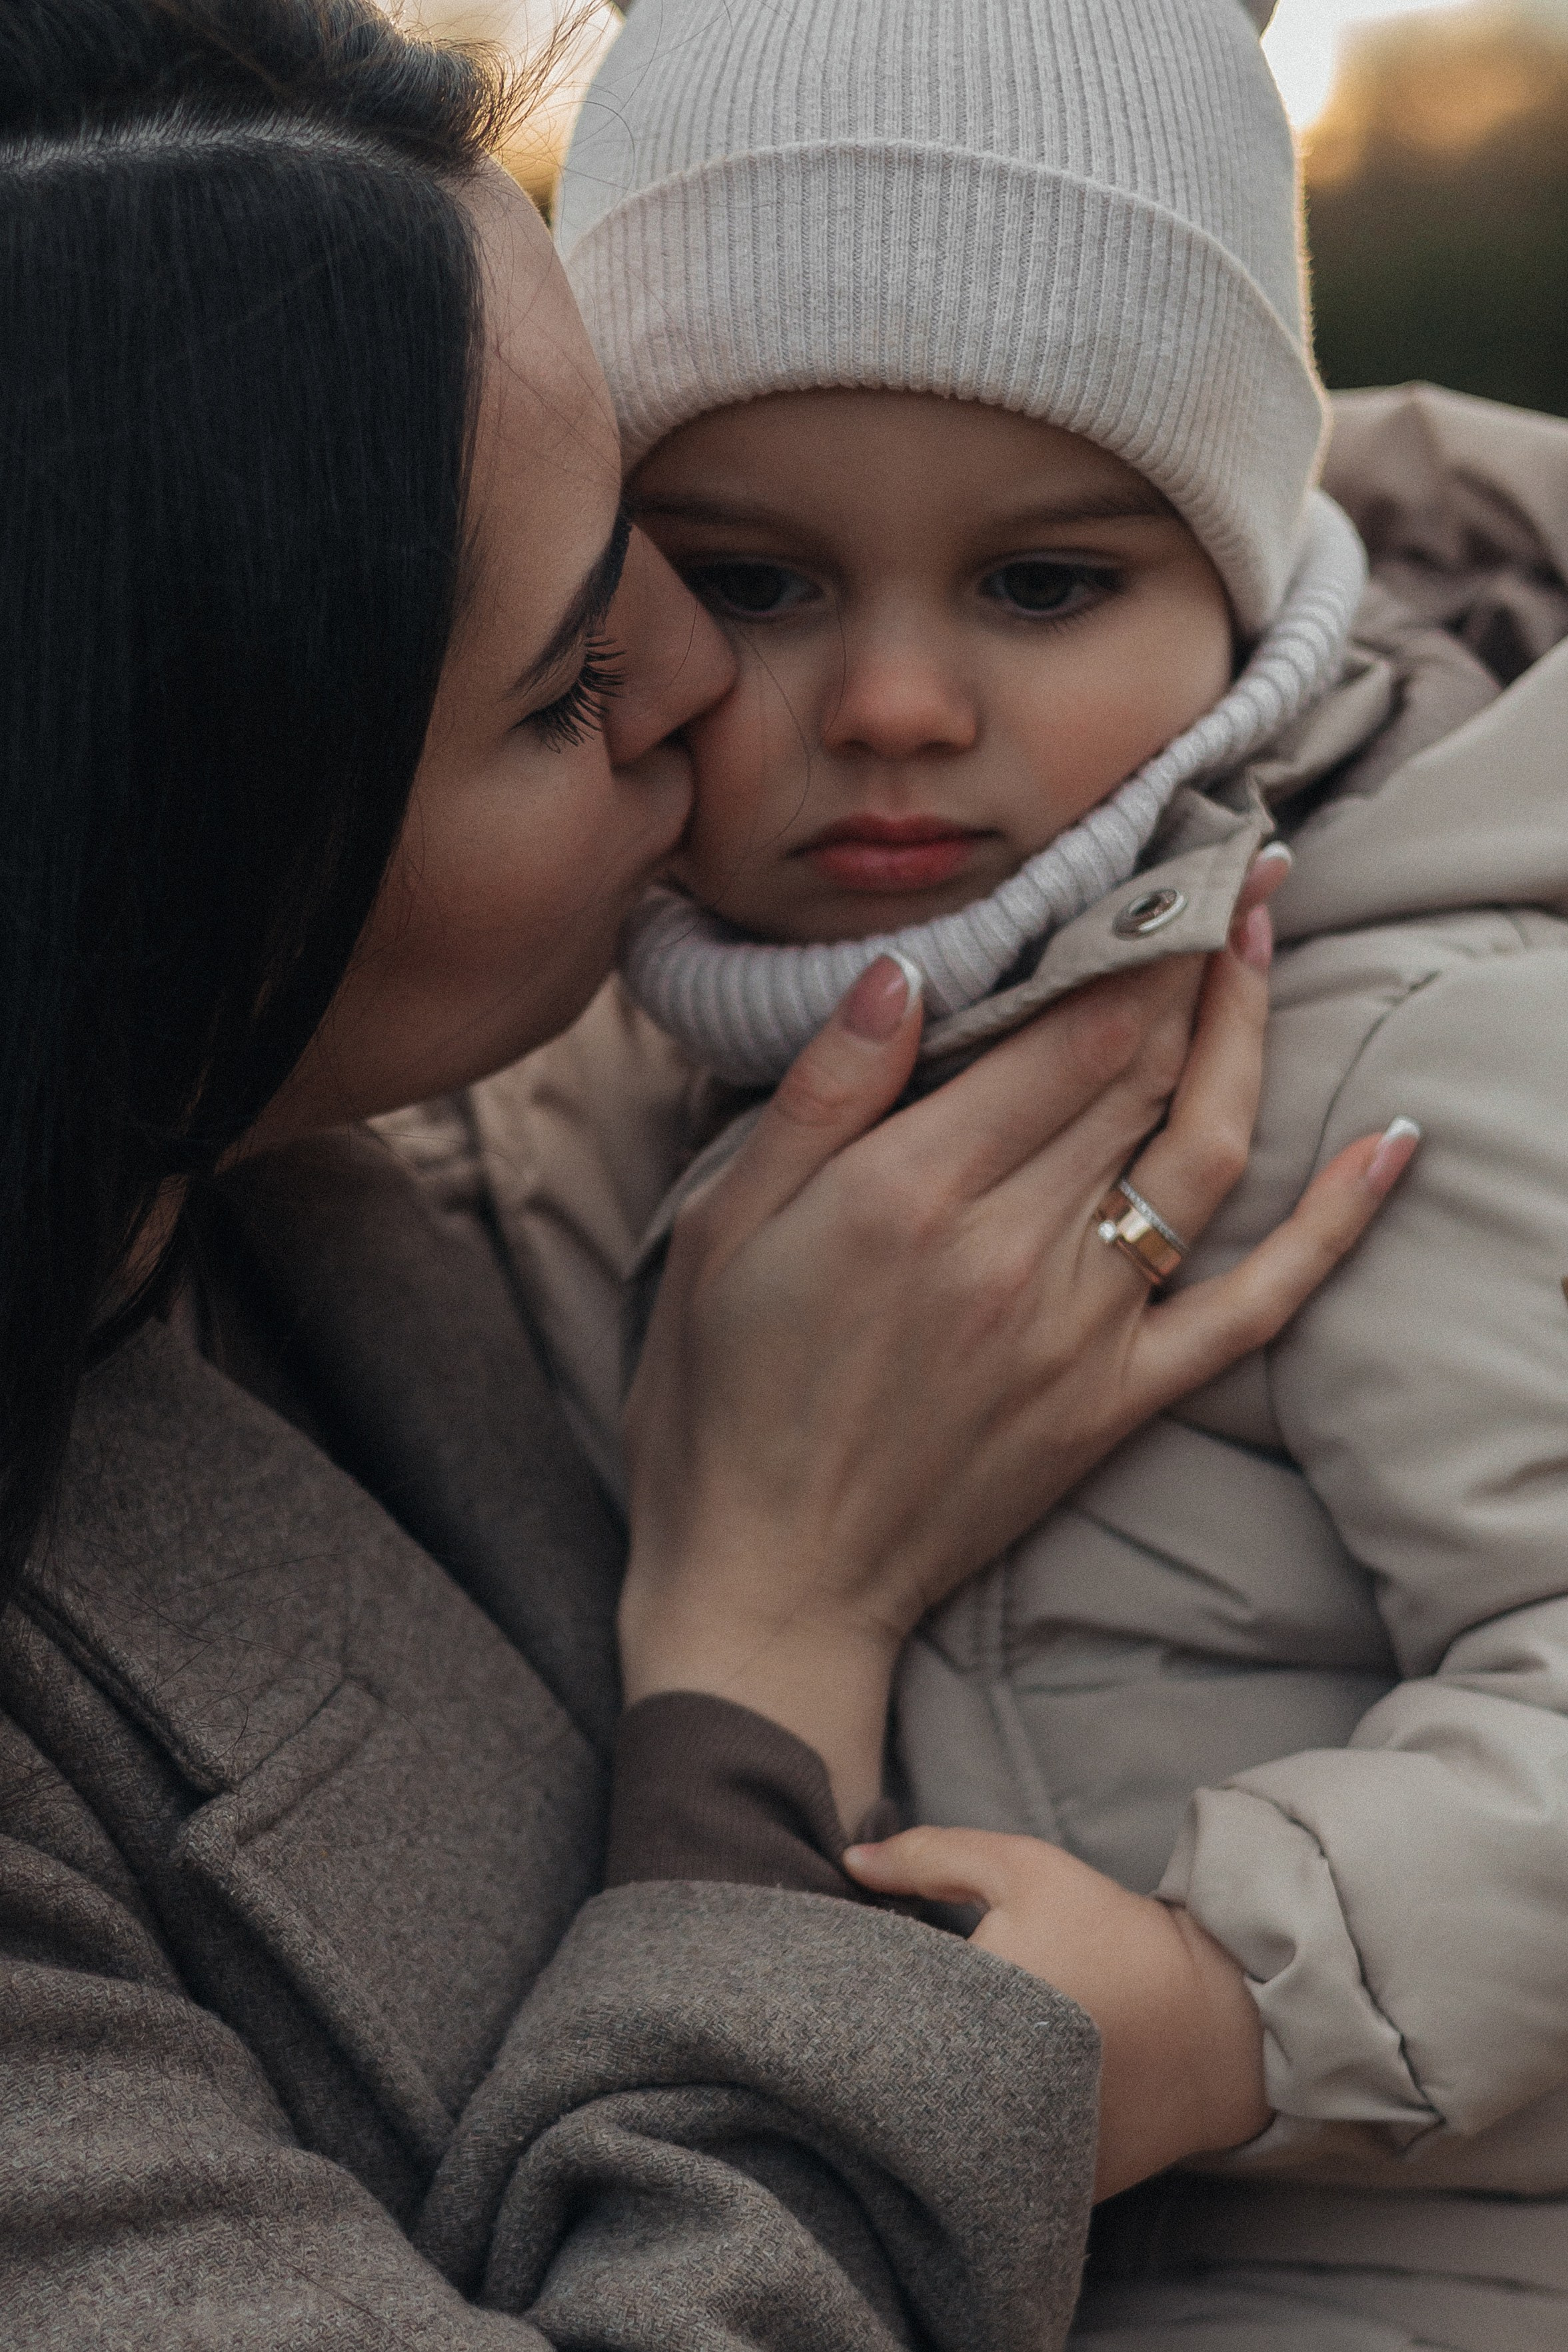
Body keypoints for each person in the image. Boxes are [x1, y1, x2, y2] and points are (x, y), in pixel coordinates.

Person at [0, 3, 1406, 2345]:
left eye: (658, 525)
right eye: (570, 685)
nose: (719, 688)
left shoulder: (326, 1166)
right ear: (162, 852)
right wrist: (766, 1644)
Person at [478, 1, 1568, 2345]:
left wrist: (1218, 1993)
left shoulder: (1403, 1029)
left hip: (1386, 2242)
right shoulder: (595, 1069)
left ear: (1235, 587)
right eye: (756, 583)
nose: (891, 701)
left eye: (1042, 584)